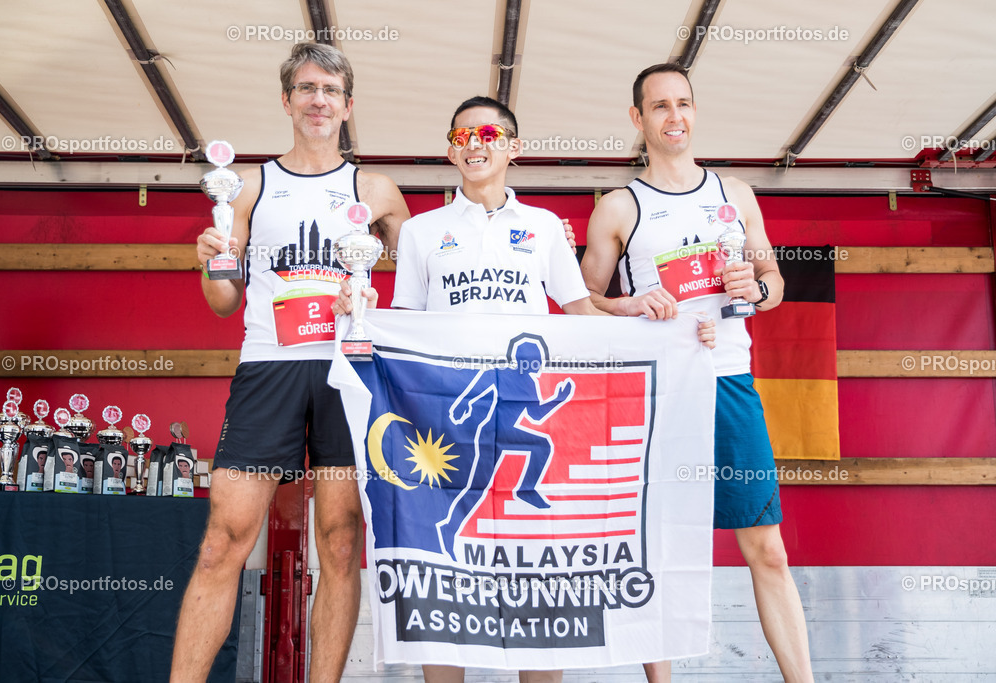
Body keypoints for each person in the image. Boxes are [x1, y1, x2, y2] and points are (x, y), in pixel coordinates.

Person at [333, 95, 715, 683]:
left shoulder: (541, 229)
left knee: (538, 577)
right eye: (461, 136)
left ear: (513, 146)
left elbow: (579, 313)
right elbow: (407, 331)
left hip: (522, 415)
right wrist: (359, 316)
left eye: (488, 134)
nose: (475, 144)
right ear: (451, 149)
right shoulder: (420, 233)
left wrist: (646, 319)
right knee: (448, 586)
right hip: (447, 427)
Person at [171, 42, 410, 683]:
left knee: (338, 543)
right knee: (224, 541)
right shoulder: (248, 188)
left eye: (330, 91)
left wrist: (370, 295)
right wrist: (210, 263)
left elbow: (413, 285)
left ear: (348, 105)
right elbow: (224, 302)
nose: (318, 101)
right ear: (287, 100)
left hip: (347, 372)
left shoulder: (378, 190)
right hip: (269, 370)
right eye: (306, 89)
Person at [579, 63, 813, 682]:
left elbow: (775, 283)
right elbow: (580, 303)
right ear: (638, 119)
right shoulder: (618, 207)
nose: (674, 116)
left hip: (730, 381)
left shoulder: (735, 194)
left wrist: (755, 291)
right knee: (654, 551)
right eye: (659, 106)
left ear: (695, 110)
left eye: (683, 103)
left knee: (767, 547)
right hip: (653, 394)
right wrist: (629, 306)